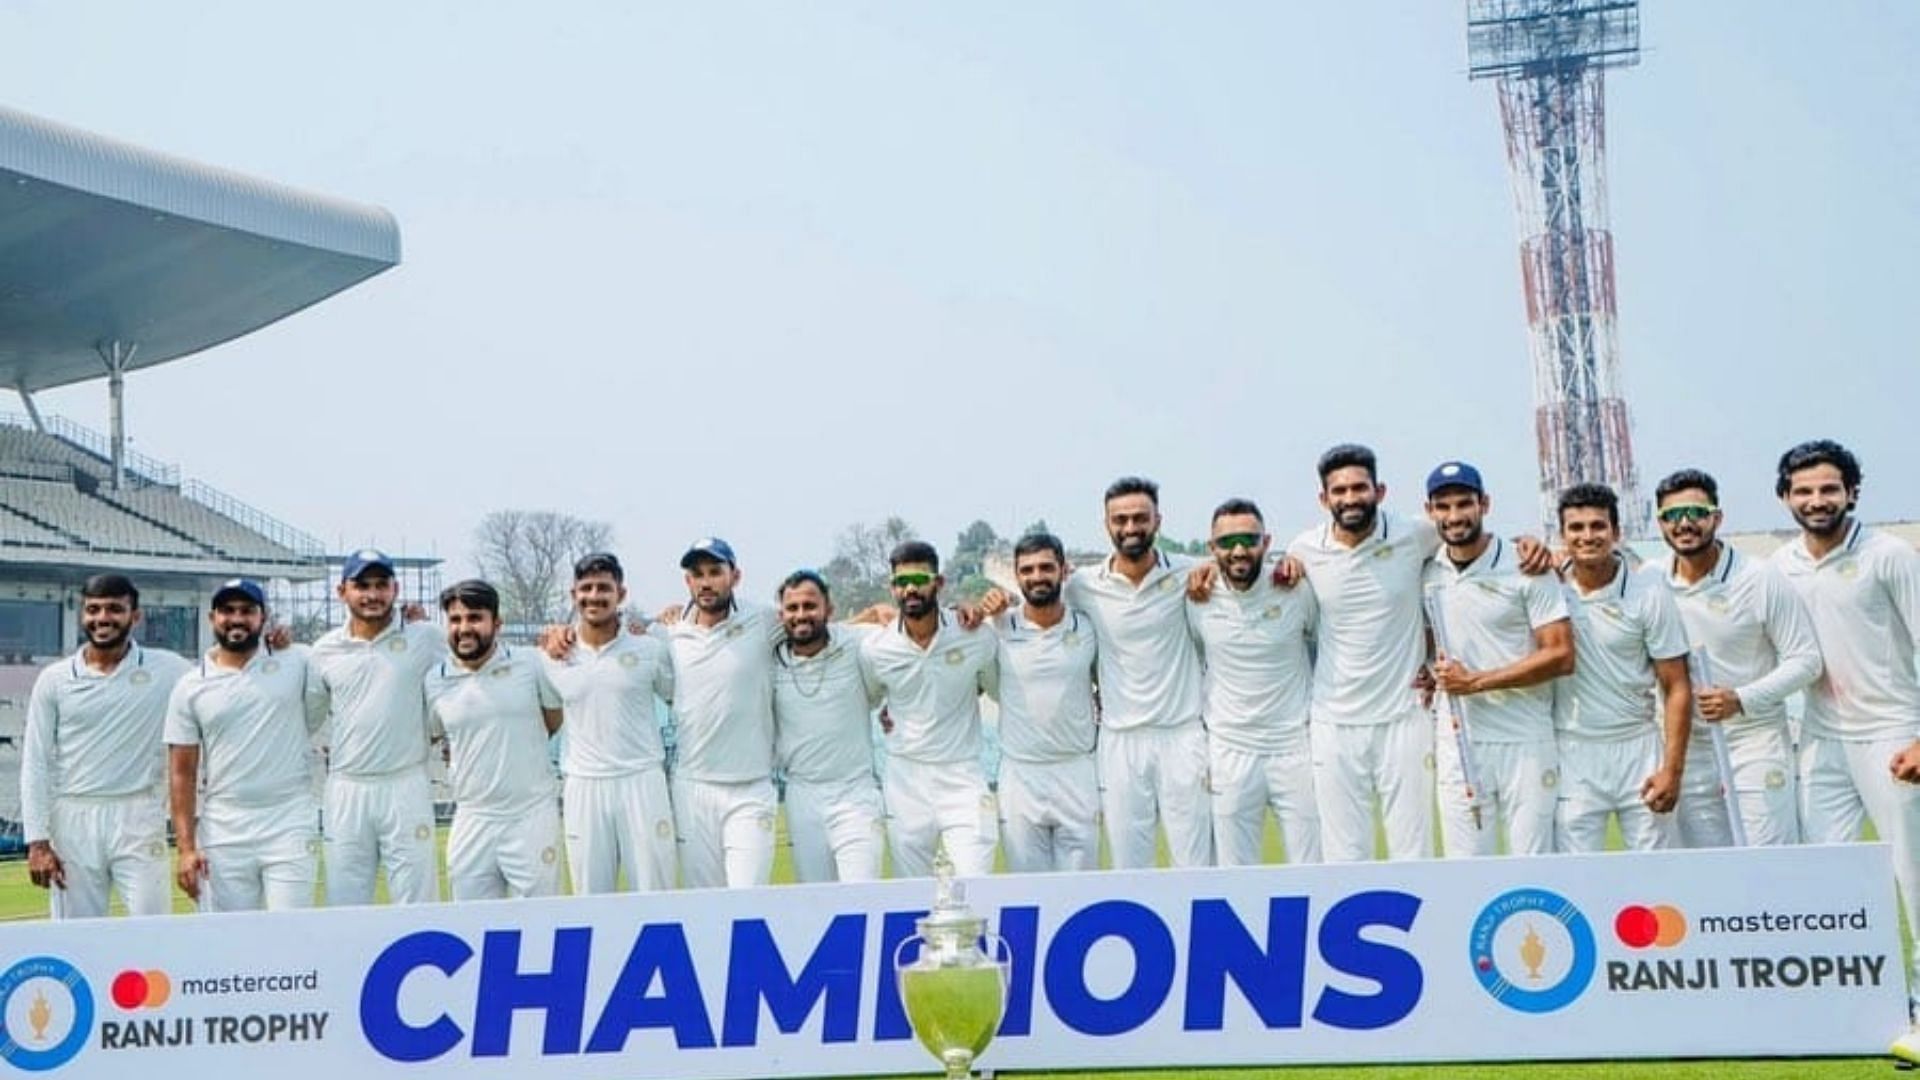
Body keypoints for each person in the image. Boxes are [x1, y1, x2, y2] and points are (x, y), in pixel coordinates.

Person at [1764, 441, 1920, 1057]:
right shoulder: (1779, 566)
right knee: (1830, 878)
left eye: (1829, 489)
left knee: (1911, 873)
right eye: (1803, 491)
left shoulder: (1890, 557)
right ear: (1785, 498)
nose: (1816, 501)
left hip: (1893, 734)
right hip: (1821, 739)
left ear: (1852, 492)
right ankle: (1857, 1003)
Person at [1655, 468, 1819, 847]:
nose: (1684, 524)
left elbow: (1806, 660)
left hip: (1754, 739)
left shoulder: (1760, 577)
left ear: (1717, 517)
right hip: (1690, 748)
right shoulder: (1651, 581)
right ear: (1660, 523)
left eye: (1696, 513)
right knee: (1709, 876)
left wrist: (1740, 699)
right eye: (1671, 516)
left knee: (1769, 867)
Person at [1423, 462, 1573, 858]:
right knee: (1467, 870)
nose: (1454, 516)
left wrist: (1475, 682)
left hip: (1525, 737)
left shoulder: (1526, 566)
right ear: (1430, 511)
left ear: (1484, 504)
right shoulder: (1426, 569)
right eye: (1443, 506)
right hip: (1459, 740)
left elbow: (1560, 655)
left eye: (1464, 504)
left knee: (1533, 866)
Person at [1062, 476, 1213, 869]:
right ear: (1107, 524)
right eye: (1121, 519)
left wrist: (1292, 564)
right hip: (1120, 740)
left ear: (1158, 521)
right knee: (1130, 867)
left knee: (1196, 865)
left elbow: (1245, 567)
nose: (1131, 528)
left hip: (1182, 735)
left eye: (1140, 518)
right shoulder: (1082, 586)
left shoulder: (1189, 573)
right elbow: (1033, 611)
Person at [20, 574, 190, 918]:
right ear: (82, 615)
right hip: (73, 819)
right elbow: (36, 761)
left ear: (135, 616)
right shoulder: (55, 678)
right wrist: (37, 841)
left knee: (152, 931)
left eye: (114, 609)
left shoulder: (169, 669)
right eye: (93, 609)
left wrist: (268, 648)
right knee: (76, 941)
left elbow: (219, 675)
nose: (102, 618)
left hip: (139, 817)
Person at [165, 579, 324, 911]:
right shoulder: (191, 685)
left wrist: (410, 624)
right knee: (230, 943)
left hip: (289, 820)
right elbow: (182, 773)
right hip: (224, 827)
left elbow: (345, 653)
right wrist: (186, 849)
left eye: (247, 611)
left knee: (293, 933)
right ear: (212, 618)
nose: (236, 619)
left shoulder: (296, 660)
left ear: (263, 618)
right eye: (227, 611)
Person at [1551, 483, 1692, 852]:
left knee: (1657, 882)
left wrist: (1672, 771)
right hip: (1574, 750)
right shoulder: (1547, 588)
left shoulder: (1648, 590)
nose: (1587, 536)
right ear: (1562, 536)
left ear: (1616, 532)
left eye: (1598, 526)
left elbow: (1676, 686)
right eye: (1576, 528)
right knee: (1577, 882)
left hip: (1639, 749)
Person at [306, 548, 445, 905]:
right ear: (342, 592)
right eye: (362, 585)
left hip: (406, 784)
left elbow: (464, 678)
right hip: (347, 788)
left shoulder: (426, 637)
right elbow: (307, 718)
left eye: (381, 585)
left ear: (395, 590)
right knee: (345, 904)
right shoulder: (323, 651)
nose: (372, 595)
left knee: (417, 902)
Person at [1187, 499, 1320, 866]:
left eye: (1249, 539)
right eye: (1227, 542)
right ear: (1212, 549)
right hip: (1230, 750)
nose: (1239, 550)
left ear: (1266, 541)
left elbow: (1333, 642)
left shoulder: (1296, 589)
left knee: (1312, 869)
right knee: (1235, 874)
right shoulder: (1196, 597)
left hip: (1295, 748)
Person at [541, 553, 677, 894]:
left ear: (621, 594)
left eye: (604, 587)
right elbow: (547, 717)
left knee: (655, 896)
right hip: (584, 785)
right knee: (589, 900)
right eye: (586, 588)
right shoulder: (552, 655)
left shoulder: (649, 648)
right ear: (574, 595)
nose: (594, 596)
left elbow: (683, 697)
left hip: (642, 780)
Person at [862, 541, 999, 877]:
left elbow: (996, 688)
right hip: (905, 780)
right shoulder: (875, 649)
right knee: (914, 897)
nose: (911, 589)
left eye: (920, 580)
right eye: (901, 582)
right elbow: (871, 697)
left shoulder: (975, 635)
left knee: (974, 887)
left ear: (939, 583)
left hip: (962, 776)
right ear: (892, 588)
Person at [424, 579, 564, 900]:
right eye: (456, 620)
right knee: (472, 925)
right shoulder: (435, 680)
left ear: (496, 624)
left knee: (542, 920)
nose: (464, 628)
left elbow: (553, 722)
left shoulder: (530, 663)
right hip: (473, 816)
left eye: (475, 618)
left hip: (530, 814)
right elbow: (434, 734)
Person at [664, 537, 779, 888]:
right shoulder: (668, 632)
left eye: (715, 572)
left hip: (751, 787)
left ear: (735, 576)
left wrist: (876, 613)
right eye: (697, 574)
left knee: (746, 902)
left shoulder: (762, 621)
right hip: (693, 789)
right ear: (688, 582)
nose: (706, 582)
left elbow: (818, 620)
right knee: (707, 909)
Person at [987, 532, 1100, 873]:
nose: (1037, 577)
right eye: (1028, 570)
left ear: (1064, 571)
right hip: (1021, 776)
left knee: (1081, 891)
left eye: (1046, 568)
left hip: (1077, 770)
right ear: (1016, 575)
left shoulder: (1089, 626)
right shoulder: (997, 627)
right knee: (1027, 893)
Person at [771, 569, 887, 883]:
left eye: (810, 606)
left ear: (828, 610)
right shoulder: (768, 659)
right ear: (781, 614)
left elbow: (901, 648)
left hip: (855, 793)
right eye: (792, 609)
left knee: (860, 897)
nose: (801, 615)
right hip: (801, 796)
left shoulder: (856, 642)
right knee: (816, 901)